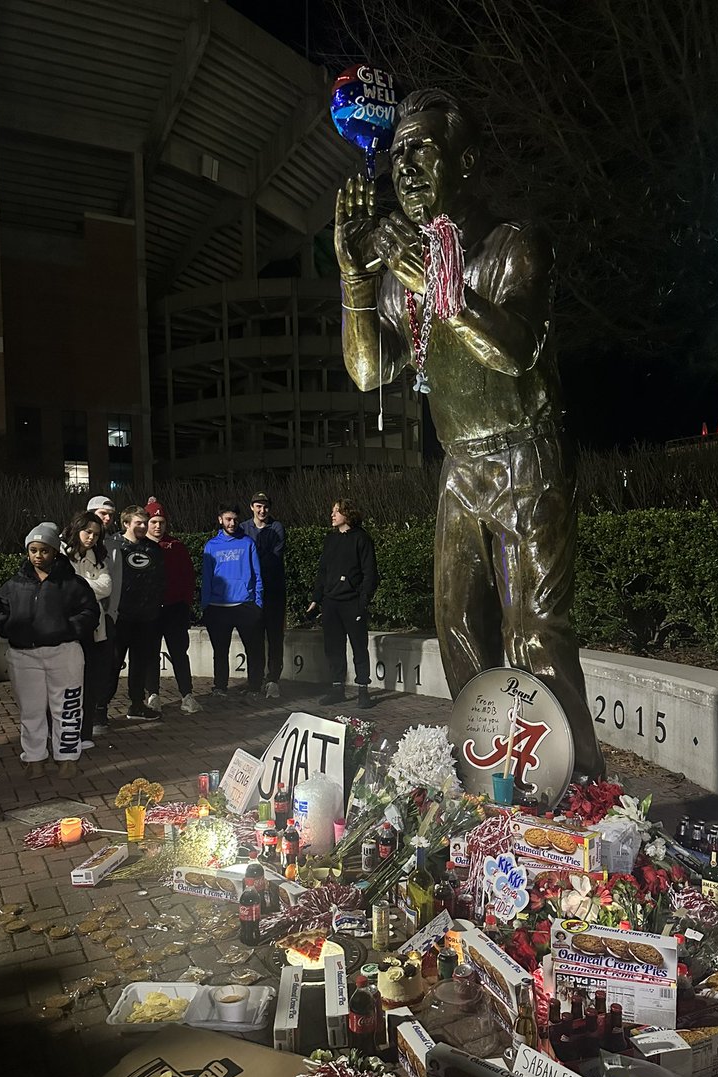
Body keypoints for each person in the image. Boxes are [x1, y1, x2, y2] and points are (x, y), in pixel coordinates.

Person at [335, 87, 604, 780]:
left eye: (424, 148)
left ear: (467, 159)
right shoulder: (404, 273)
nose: (407, 167)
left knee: (536, 639)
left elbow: (514, 350)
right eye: (398, 154)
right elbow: (368, 372)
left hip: (526, 456)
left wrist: (440, 286)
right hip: (460, 468)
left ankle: (581, 795)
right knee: (458, 634)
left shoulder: (513, 244)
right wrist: (353, 281)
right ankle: (491, 786)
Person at [0, 522, 99, 779]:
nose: (38, 555)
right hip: (24, 655)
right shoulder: (13, 585)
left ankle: (67, 757)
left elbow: (89, 613)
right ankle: (34, 758)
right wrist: (9, 627)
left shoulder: (73, 583)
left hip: (63, 652)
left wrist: (67, 629)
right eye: (33, 550)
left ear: (55, 551)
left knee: (67, 707)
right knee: (30, 709)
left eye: (44, 550)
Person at [307, 499, 378, 710]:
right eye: (332, 511)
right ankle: (337, 688)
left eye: (336, 511)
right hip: (331, 603)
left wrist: (362, 601)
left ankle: (363, 691)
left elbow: (370, 573)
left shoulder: (362, 539)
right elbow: (323, 571)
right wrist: (316, 598)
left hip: (352, 603)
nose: (332, 515)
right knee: (333, 648)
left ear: (348, 514)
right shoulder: (330, 539)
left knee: (359, 647)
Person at [61, 511, 113, 748]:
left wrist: (79, 585)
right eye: (87, 532)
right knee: (67, 683)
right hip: (68, 628)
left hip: (93, 629)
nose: (91, 537)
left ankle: (84, 734)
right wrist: (86, 588)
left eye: (95, 534)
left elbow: (107, 586)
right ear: (77, 529)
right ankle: (65, 731)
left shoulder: (98, 557)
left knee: (90, 681)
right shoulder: (62, 555)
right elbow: (64, 588)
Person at [144, 497, 201, 714]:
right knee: (151, 653)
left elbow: (188, 576)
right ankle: (152, 694)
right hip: (150, 610)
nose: (158, 526)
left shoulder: (177, 546)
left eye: (161, 522)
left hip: (175, 609)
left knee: (179, 652)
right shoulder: (139, 547)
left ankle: (187, 694)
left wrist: (185, 603)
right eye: (153, 522)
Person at [201, 503, 264, 698]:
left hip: (245, 605)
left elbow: (257, 574)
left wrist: (258, 603)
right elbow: (207, 578)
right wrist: (206, 606)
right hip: (218, 607)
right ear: (220, 519)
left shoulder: (247, 543)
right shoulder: (211, 546)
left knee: (253, 650)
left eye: (235, 519)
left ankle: (255, 687)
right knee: (220, 651)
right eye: (228, 519)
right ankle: (220, 686)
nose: (232, 523)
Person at [111, 506, 165, 722]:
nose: (143, 527)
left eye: (145, 522)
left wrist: (155, 605)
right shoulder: (114, 545)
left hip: (146, 618)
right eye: (138, 523)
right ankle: (100, 708)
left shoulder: (153, 549)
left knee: (140, 663)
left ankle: (137, 704)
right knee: (113, 663)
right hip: (120, 617)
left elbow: (161, 579)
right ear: (126, 524)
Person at [240, 491, 286, 700]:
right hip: (251, 594)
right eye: (258, 506)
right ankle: (254, 682)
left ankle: (273, 680)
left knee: (275, 638)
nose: (262, 510)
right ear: (251, 507)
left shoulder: (276, 528)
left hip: (274, 592)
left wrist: (254, 557)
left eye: (265, 506)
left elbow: (272, 557)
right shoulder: (243, 528)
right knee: (254, 639)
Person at [86, 494, 122, 734]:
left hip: (107, 616)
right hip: (80, 618)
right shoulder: (71, 543)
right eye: (102, 513)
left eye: (110, 514)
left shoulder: (114, 545)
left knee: (108, 665)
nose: (107, 518)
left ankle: (100, 710)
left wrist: (112, 613)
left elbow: (114, 583)